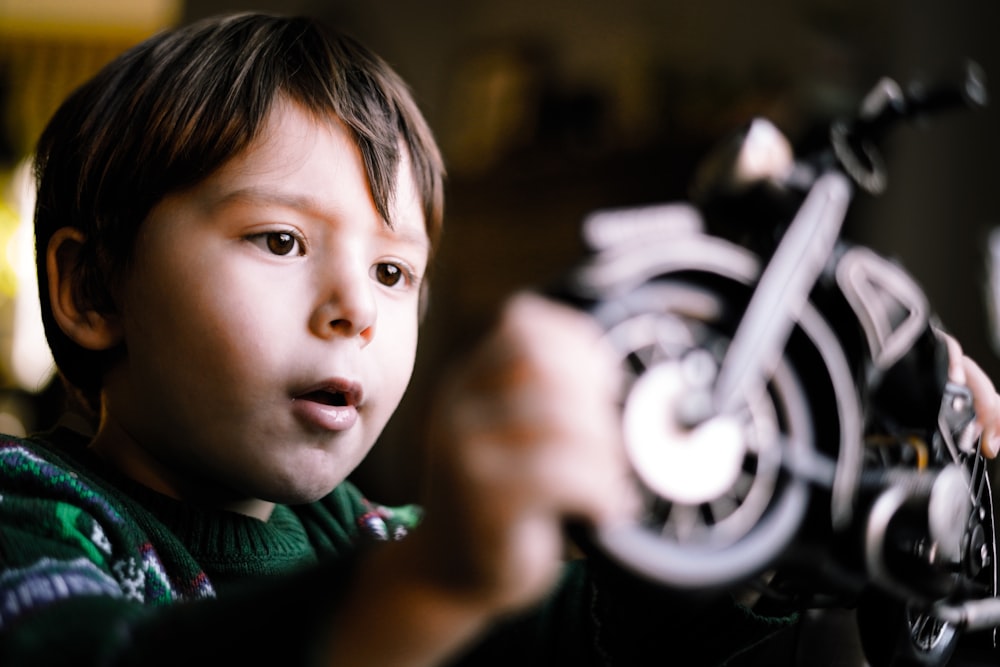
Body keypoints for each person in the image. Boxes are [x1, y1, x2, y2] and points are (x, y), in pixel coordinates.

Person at [0, 11, 997, 667]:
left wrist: (793, 506)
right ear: (92, 289)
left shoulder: (379, 535)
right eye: (281, 239)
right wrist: (432, 588)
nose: (357, 306)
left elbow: (596, 636)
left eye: (394, 271)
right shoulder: (32, 518)